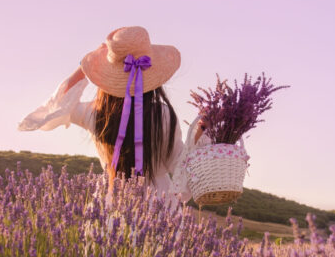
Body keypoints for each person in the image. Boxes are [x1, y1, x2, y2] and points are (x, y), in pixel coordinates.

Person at [18, 26, 208, 205]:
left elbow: (60, 104)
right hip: (157, 206)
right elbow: (180, 164)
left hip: (112, 202)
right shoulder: (163, 115)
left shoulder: (97, 113)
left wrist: (85, 67)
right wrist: (199, 133)